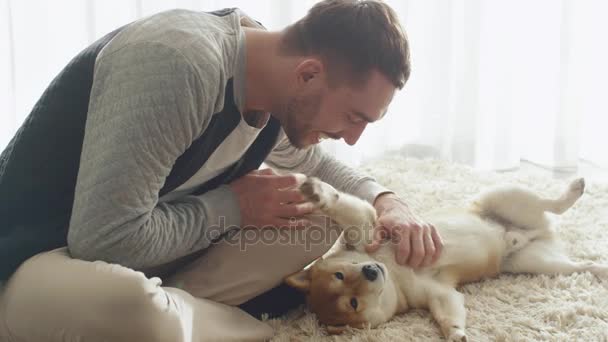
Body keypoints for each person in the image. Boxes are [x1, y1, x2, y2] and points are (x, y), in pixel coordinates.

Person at [0, 1, 443, 340]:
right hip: (37, 253)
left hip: (148, 241)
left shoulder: (274, 80)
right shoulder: (178, 64)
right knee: (143, 314)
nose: (353, 138)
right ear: (309, 75)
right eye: (353, 117)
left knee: (321, 215)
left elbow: (313, 164)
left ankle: (184, 310)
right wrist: (232, 207)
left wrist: (388, 200)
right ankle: (206, 320)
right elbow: (105, 239)